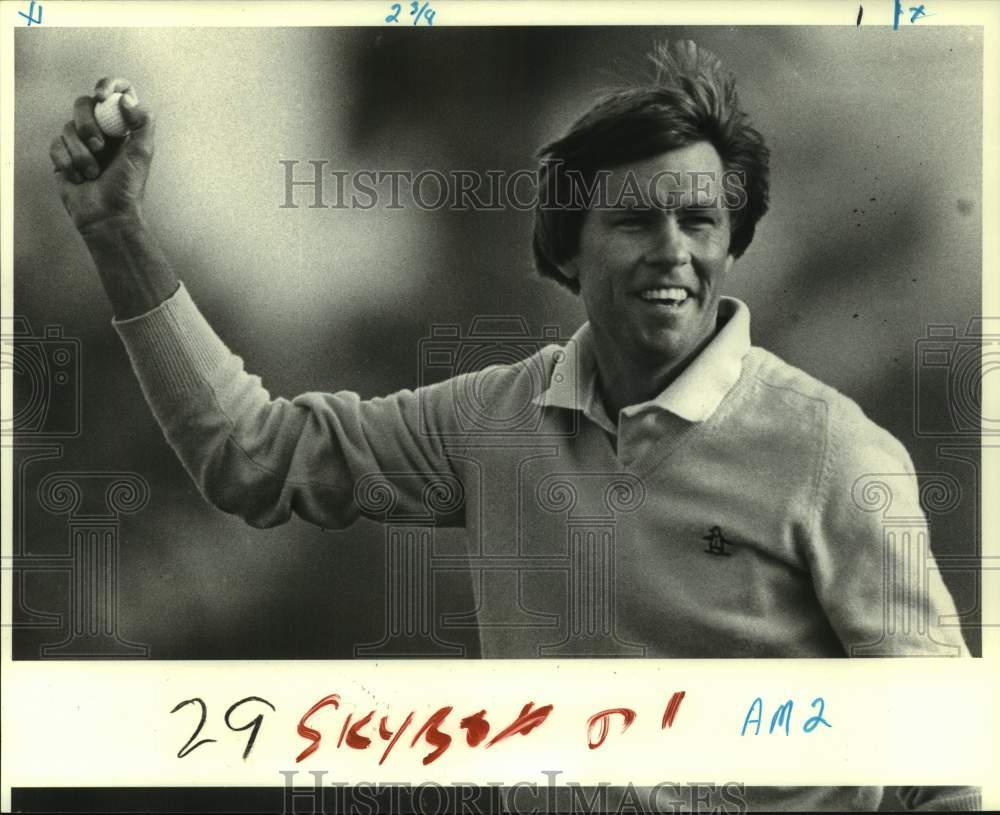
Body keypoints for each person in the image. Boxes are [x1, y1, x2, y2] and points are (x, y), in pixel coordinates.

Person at [50, 40, 977, 812]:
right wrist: (117, 232)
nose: (673, 251)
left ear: (733, 242)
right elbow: (247, 456)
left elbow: (946, 766)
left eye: (701, 220)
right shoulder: (490, 421)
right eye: (633, 220)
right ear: (566, 247)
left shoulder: (834, 451)